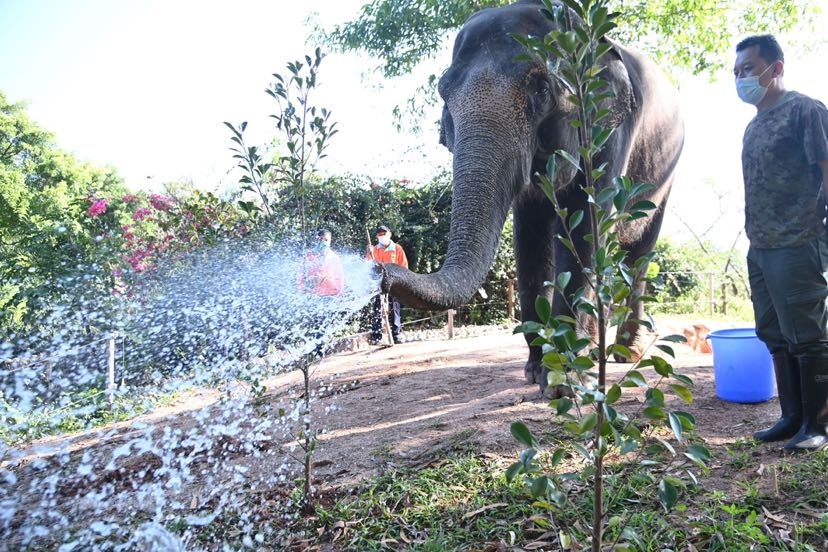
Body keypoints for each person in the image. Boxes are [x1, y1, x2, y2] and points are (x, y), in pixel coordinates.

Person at [734, 34, 828, 451]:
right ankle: (791, 417)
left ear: (777, 68)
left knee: (808, 333)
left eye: (748, 69)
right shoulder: (754, 125)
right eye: (736, 72)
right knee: (772, 330)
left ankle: (819, 424)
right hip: (762, 244)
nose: (741, 79)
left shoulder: (806, 111)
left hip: (800, 238)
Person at [297, 229, 345, 356]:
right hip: (313, 294)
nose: (323, 242)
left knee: (324, 322)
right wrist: (303, 288)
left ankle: (320, 350)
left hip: (329, 294)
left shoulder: (334, 258)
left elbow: (339, 277)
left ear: (330, 241)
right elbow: (301, 275)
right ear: (316, 240)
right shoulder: (308, 256)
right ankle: (316, 349)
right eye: (321, 239)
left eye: (326, 240)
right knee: (315, 322)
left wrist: (339, 293)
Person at [366, 225, 409, 344]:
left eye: (384, 234)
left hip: (394, 284)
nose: (382, 236)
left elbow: (403, 266)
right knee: (378, 308)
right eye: (379, 235)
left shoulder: (397, 248)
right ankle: (376, 336)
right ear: (377, 237)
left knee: (395, 307)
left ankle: (396, 334)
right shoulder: (373, 250)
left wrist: (402, 282)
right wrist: (369, 254)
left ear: (389, 234)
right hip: (379, 283)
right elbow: (367, 266)